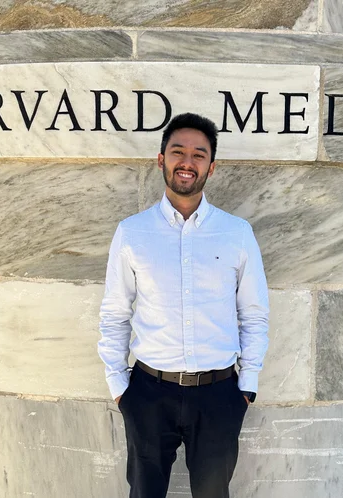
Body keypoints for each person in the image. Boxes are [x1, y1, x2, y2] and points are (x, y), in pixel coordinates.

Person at [98, 112, 270, 498]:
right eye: (178, 151)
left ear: (211, 165)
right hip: (147, 393)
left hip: (219, 394)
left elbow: (254, 314)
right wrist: (119, 388)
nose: (187, 162)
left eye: (198, 154)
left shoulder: (237, 233)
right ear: (162, 159)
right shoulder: (132, 232)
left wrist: (247, 387)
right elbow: (114, 314)